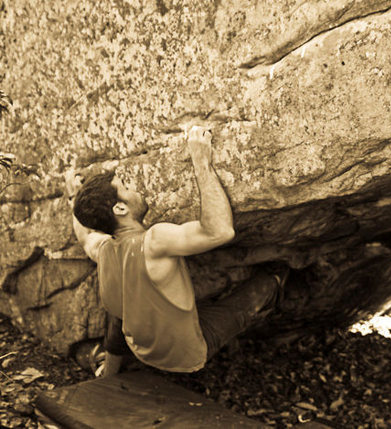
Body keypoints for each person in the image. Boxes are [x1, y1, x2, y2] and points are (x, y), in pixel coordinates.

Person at [71, 126, 286, 375]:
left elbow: (85, 236)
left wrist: (73, 196)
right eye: (126, 186)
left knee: (121, 309)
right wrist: (201, 161)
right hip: (188, 356)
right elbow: (220, 231)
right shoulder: (154, 240)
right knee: (260, 289)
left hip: (143, 349)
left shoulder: (103, 250)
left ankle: (109, 371)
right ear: (120, 209)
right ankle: (280, 279)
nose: (136, 188)